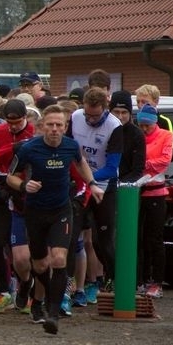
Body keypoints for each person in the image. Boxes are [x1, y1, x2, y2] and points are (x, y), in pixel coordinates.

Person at [7, 105, 104, 334]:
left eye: (59, 125)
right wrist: (23, 185)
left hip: (61, 210)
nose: (54, 129)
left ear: (65, 127)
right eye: (50, 125)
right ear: (42, 127)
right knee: (40, 264)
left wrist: (92, 184)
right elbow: (10, 176)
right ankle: (38, 299)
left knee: (59, 259)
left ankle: (53, 313)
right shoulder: (29, 149)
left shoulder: (71, 146)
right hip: (35, 211)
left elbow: (81, 163)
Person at [68, 86, 123, 287]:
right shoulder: (75, 117)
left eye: (96, 116)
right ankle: (68, 289)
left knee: (102, 241)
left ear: (105, 109)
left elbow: (111, 167)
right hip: (79, 186)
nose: (91, 120)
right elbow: (68, 149)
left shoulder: (114, 126)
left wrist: (88, 177)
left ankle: (113, 280)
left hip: (104, 186)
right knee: (71, 238)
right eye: (87, 115)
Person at [137, 105, 173, 299]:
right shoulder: (137, 135)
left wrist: (144, 163)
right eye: (141, 125)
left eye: (147, 126)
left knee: (155, 239)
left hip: (156, 193)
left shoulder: (165, 135)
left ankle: (156, 281)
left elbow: (165, 160)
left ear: (154, 123)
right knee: (138, 240)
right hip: (137, 192)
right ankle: (140, 280)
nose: (144, 129)